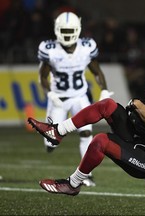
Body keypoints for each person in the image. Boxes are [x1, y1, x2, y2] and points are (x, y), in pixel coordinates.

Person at [28, 51, 145, 195]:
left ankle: (73, 184)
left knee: (101, 140)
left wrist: (137, 104)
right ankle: (58, 131)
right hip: (142, 139)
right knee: (107, 105)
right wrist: (138, 113)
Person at [37, 11, 114, 187]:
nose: (67, 35)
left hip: (80, 96)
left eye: (70, 30)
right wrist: (50, 94)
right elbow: (42, 76)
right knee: (52, 141)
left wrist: (104, 90)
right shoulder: (50, 49)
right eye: (63, 31)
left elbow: (96, 71)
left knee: (86, 133)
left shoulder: (86, 46)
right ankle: (50, 144)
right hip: (59, 98)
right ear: (57, 30)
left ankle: (87, 174)